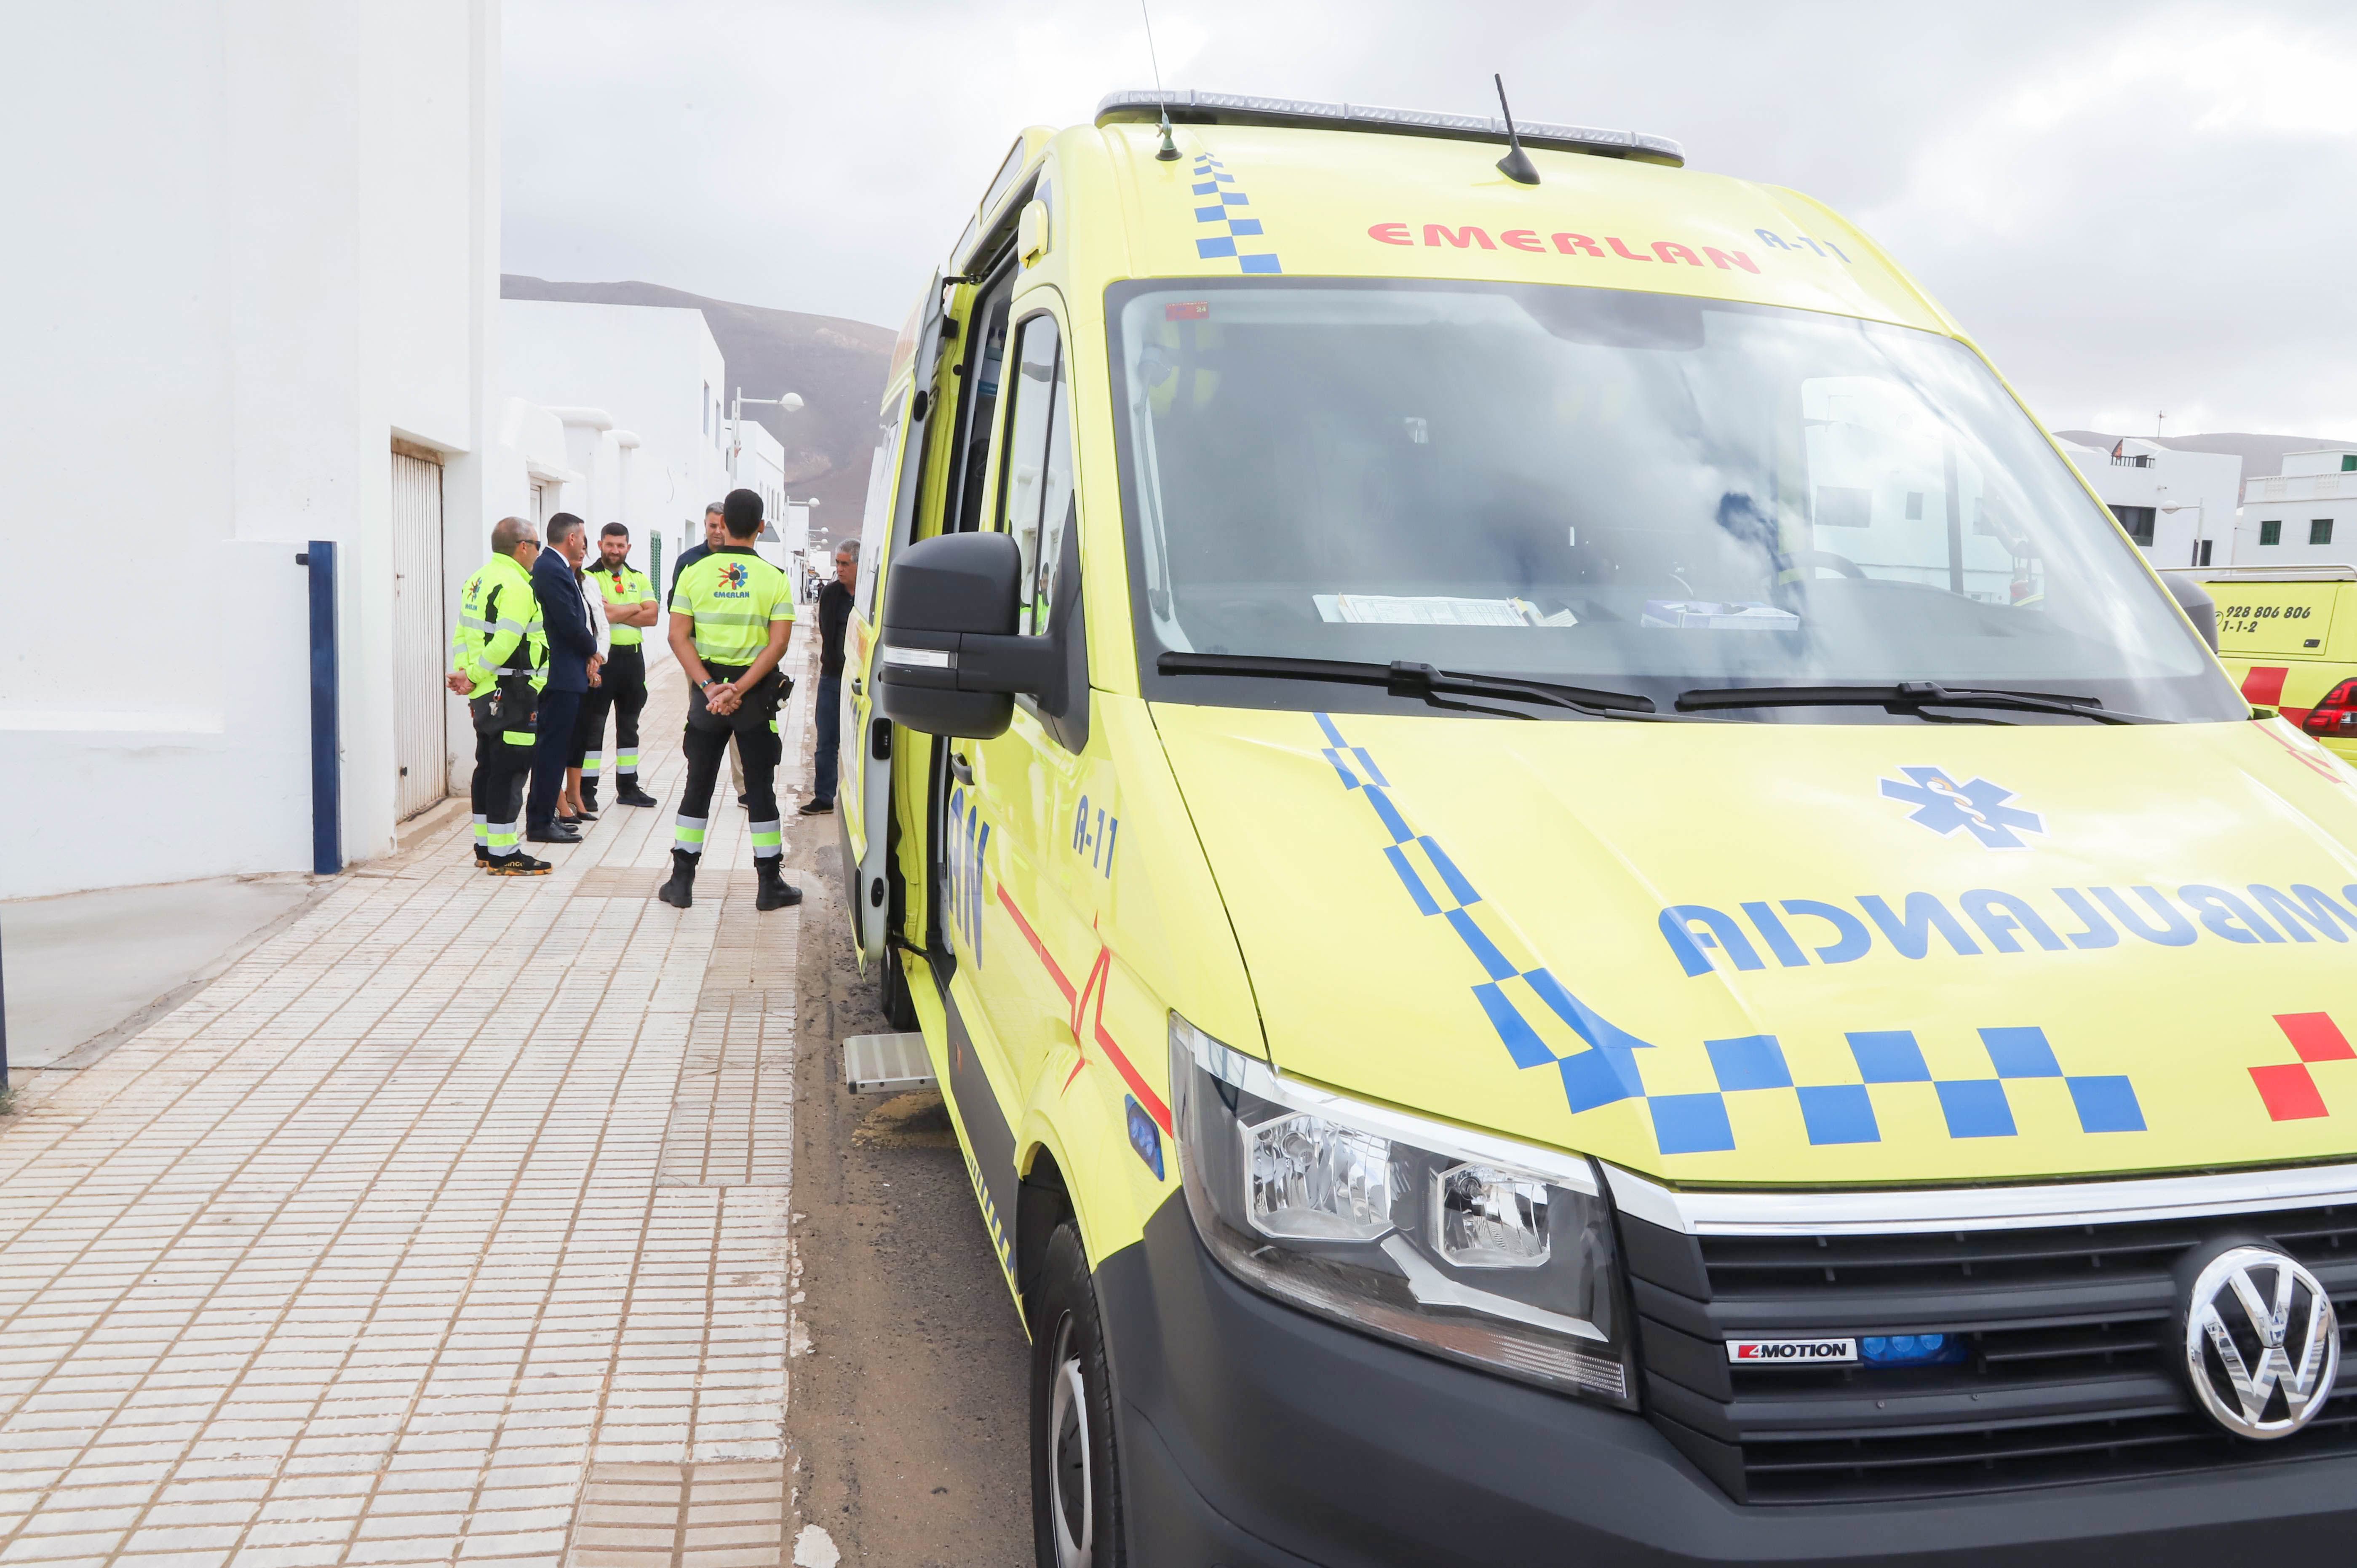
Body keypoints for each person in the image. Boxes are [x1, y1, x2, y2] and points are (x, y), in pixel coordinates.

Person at [661, 488, 799, 911]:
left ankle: (681, 883)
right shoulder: (774, 578)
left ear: (723, 525)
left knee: (696, 786)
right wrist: (739, 689)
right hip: (753, 698)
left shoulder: (693, 573)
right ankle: (768, 885)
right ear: (760, 526)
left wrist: (709, 688)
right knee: (760, 789)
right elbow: (777, 645)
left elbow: (677, 636)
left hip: (707, 697)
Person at [446, 517, 551, 875]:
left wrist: (467, 675)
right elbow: (506, 643)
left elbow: (462, 632)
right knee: (510, 770)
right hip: (514, 690)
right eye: (537, 546)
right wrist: (474, 677)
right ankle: (506, 854)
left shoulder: (477, 580)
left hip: (487, 691)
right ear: (523, 546)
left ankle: (486, 847)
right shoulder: (517, 586)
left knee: (488, 767)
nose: (539, 553)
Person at [572, 523, 660, 810]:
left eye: (621, 545)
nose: (615, 550)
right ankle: (587, 790)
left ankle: (629, 786)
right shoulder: (589, 577)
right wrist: (635, 607)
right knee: (593, 725)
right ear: (600, 544)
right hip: (602, 660)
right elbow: (600, 615)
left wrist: (614, 612)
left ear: (629, 547)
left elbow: (653, 617)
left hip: (633, 660)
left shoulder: (639, 577)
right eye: (610, 545)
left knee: (630, 725)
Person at [526, 513, 601, 844]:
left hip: (567, 673)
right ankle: (541, 823)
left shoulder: (555, 568)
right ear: (572, 538)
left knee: (555, 749)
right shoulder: (551, 569)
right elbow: (570, 622)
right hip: (558, 675)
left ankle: (545, 817)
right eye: (583, 537)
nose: (584, 544)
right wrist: (593, 651)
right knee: (551, 750)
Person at [668, 502, 747, 804]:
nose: (717, 531)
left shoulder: (743, 564)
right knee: (702, 717)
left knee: (741, 718)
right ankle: (699, 779)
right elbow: (676, 612)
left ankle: (745, 788)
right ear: (705, 525)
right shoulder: (689, 562)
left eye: (722, 526)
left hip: (738, 657)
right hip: (699, 658)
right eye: (712, 525)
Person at [800, 538, 859, 815]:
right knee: (826, 740)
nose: (840, 568)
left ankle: (866, 801)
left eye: (845, 563)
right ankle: (824, 797)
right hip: (833, 677)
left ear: (860, 565)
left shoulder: (872, 597)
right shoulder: (832, 594)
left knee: (864, 742)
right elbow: (826, 631)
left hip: (863, 681)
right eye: (838, 563)